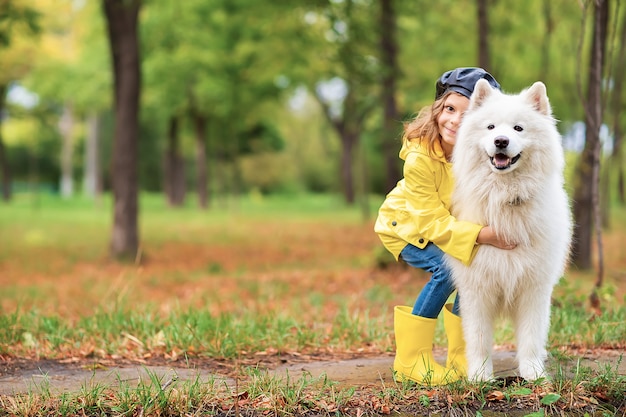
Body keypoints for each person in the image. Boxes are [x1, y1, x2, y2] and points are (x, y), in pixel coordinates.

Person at [374, 67, 516, 385]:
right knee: (447, 270)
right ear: (438, 108)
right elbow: (431, 222)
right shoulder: (420, 159)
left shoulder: (479, 153)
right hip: (405, 227)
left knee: (471, 268)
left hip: (449, 225)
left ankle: (463, 358)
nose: (453, 120)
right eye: (449, 109)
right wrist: (484, 235)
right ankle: (411, 360)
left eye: (466, 115)